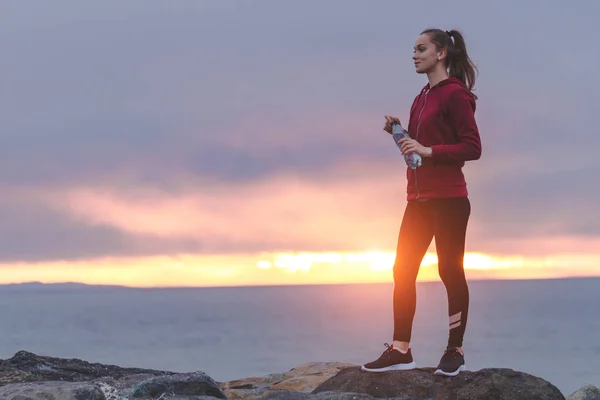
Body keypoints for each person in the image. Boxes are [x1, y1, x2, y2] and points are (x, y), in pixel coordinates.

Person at [361, 28, 482, 377]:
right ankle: (401, 350)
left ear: (441, 53)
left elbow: (472, 147)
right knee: (402, 271)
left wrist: (428, 150)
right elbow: (418, 151)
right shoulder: (421, 97)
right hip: (417, 201)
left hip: (450, 201)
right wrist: (401, 133)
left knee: (449, 271)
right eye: (413, 49)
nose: (414, 55)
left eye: (421, 49)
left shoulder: (455, 95)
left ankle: (454, 350)